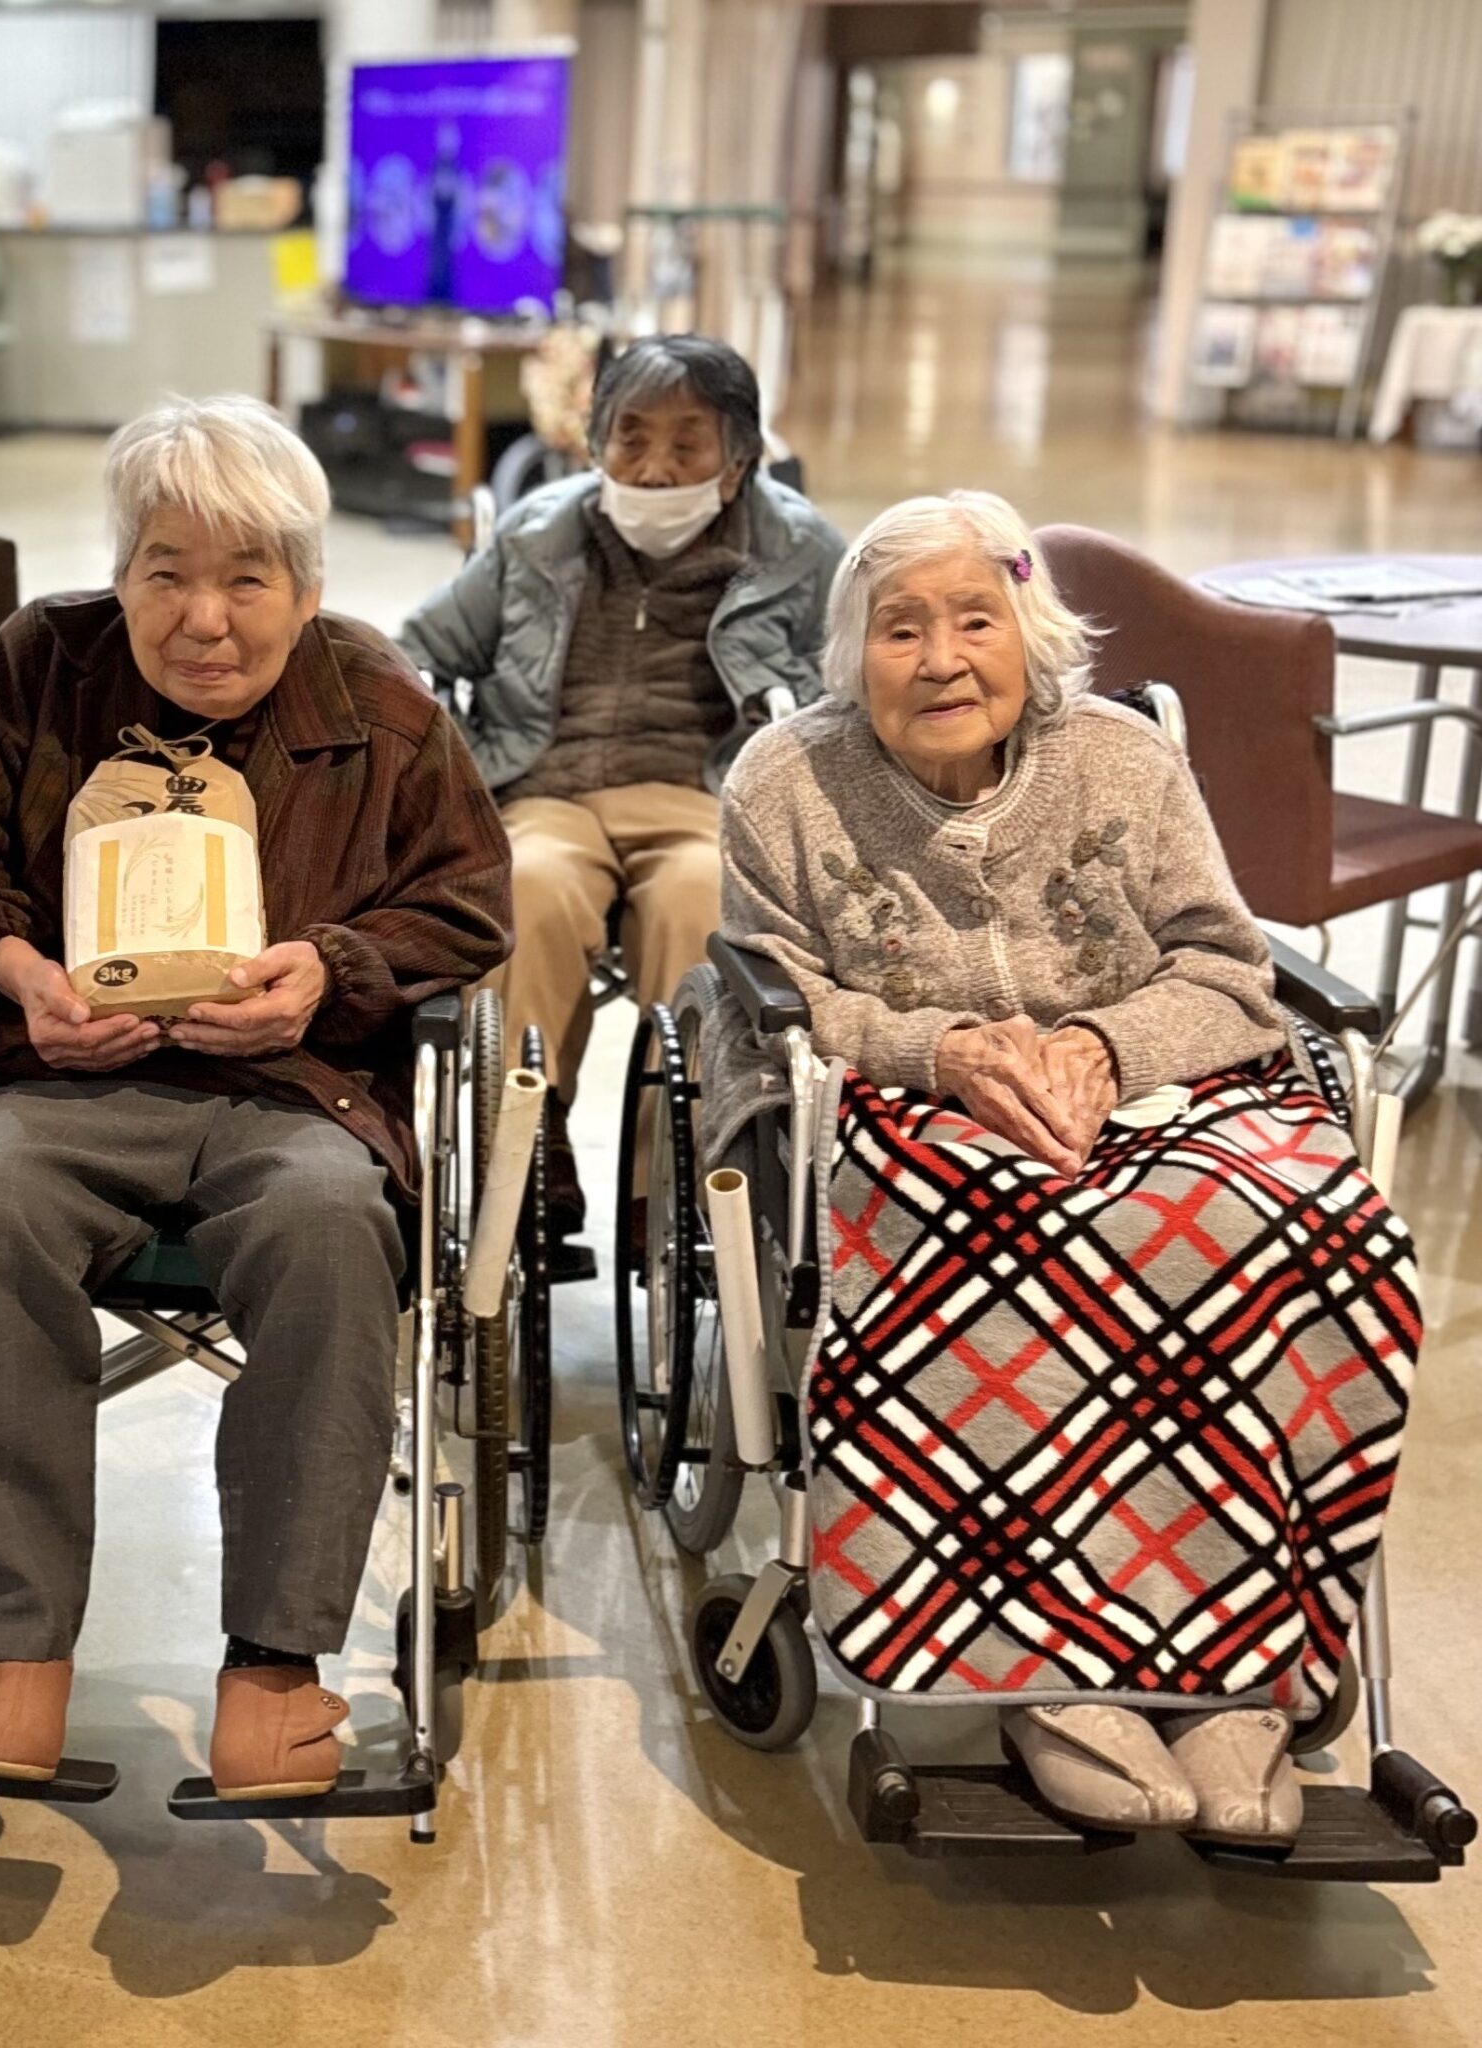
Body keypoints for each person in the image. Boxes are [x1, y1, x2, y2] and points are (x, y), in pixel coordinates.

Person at [705, 490, 1420, 1847]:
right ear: (852, 653)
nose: (941, 659)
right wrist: (941, 1049)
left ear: (1028, 633)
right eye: (900, 628)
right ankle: (1042, 1667)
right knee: (1010, 1248)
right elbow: (776, 995)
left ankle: (1232, 1666)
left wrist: (1102, 1045)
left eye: (975, 620)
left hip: (1160, 1083)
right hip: (918, 1105)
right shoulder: (784, 782)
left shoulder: (1122, 760)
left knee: (1314, 1227)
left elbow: (1225, 966)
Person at [0, 397, 512, 1800]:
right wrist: (21, 972)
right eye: (165, 573)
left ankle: (276, 1669)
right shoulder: (42, 664)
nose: (204, 619)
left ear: (307, 586)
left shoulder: (380, 703)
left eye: (246, 578)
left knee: (330, 1232)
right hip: (59, 1080)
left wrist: (330, 969)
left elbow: (470, 905)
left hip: (294, 1091)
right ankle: (8, 1657)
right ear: (121, 572)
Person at [399, 334, 844, 1261]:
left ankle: (670, 1178)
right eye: (630, 437)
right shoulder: (536, 535)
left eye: (687, 443)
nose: (654, 467)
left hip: (702, 793)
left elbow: (850, 690)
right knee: (527, 887)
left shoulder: (802, 552)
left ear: (739, 459)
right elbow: (422, 650)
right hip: (546, 788)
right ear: (594, 441)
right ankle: (525, 1152)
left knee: (697, 904)